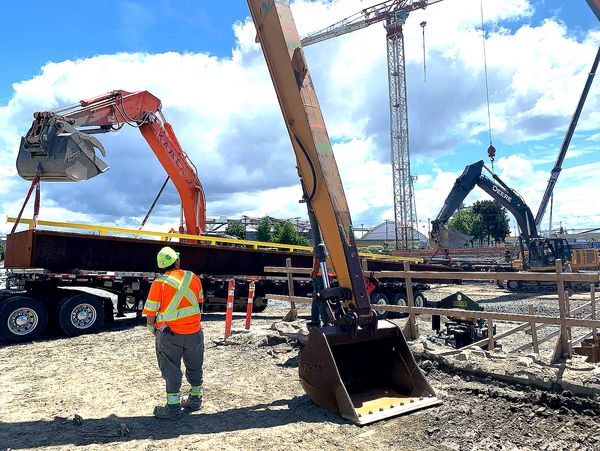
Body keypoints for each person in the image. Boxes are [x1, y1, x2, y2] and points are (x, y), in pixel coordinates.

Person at [143, 246, 204, 419]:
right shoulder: (193, 277)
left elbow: (151, 311)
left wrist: (151, 328)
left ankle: (172, 408)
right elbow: (199, 302)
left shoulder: (159, 283)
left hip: (169, 335)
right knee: (195, 365)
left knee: (171, 369)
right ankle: (195, 398)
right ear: (176, 261)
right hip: (194, 332)